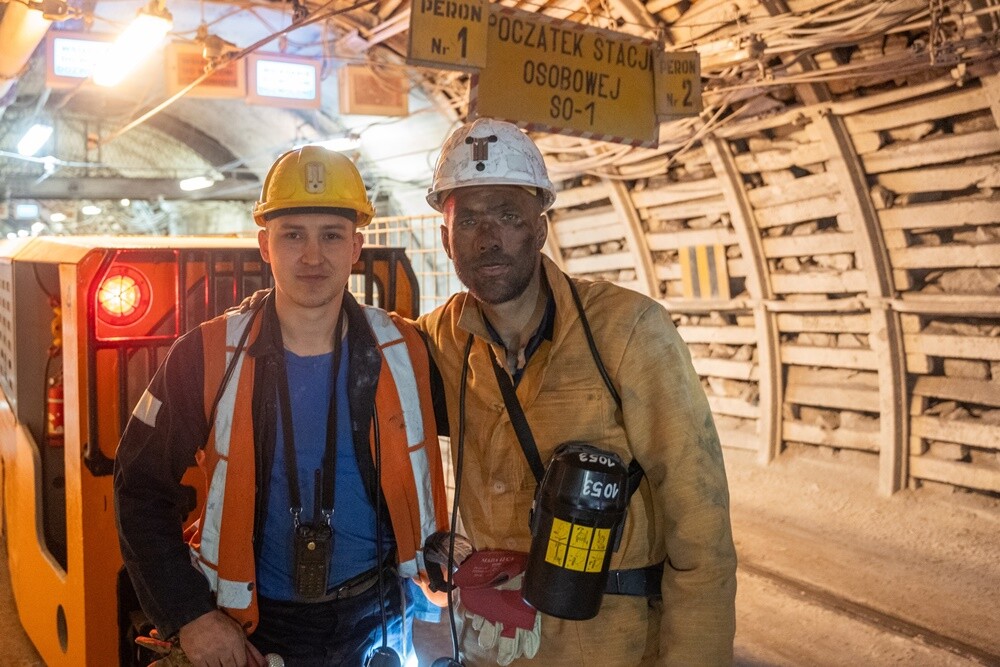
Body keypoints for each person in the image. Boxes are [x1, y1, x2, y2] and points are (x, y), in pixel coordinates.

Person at [417, 118, 737, 666]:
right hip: (490, 646)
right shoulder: (440, 340)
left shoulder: (628, 332)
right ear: (445, 239)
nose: (487, 237)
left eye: (508, 216)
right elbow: (352, 355)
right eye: (466, 218)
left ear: (540, 229)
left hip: (606, 647)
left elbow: (701, 528)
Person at [114, 146, 449, 667]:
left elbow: (491, 438)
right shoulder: (205, 356)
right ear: (264, 245)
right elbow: (138, 488)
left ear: (357, 246)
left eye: (331, 235)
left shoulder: (407, 352)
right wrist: (191, 616)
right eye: (293, 233)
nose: (312, 256)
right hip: (251, 627)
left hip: (382, 620)